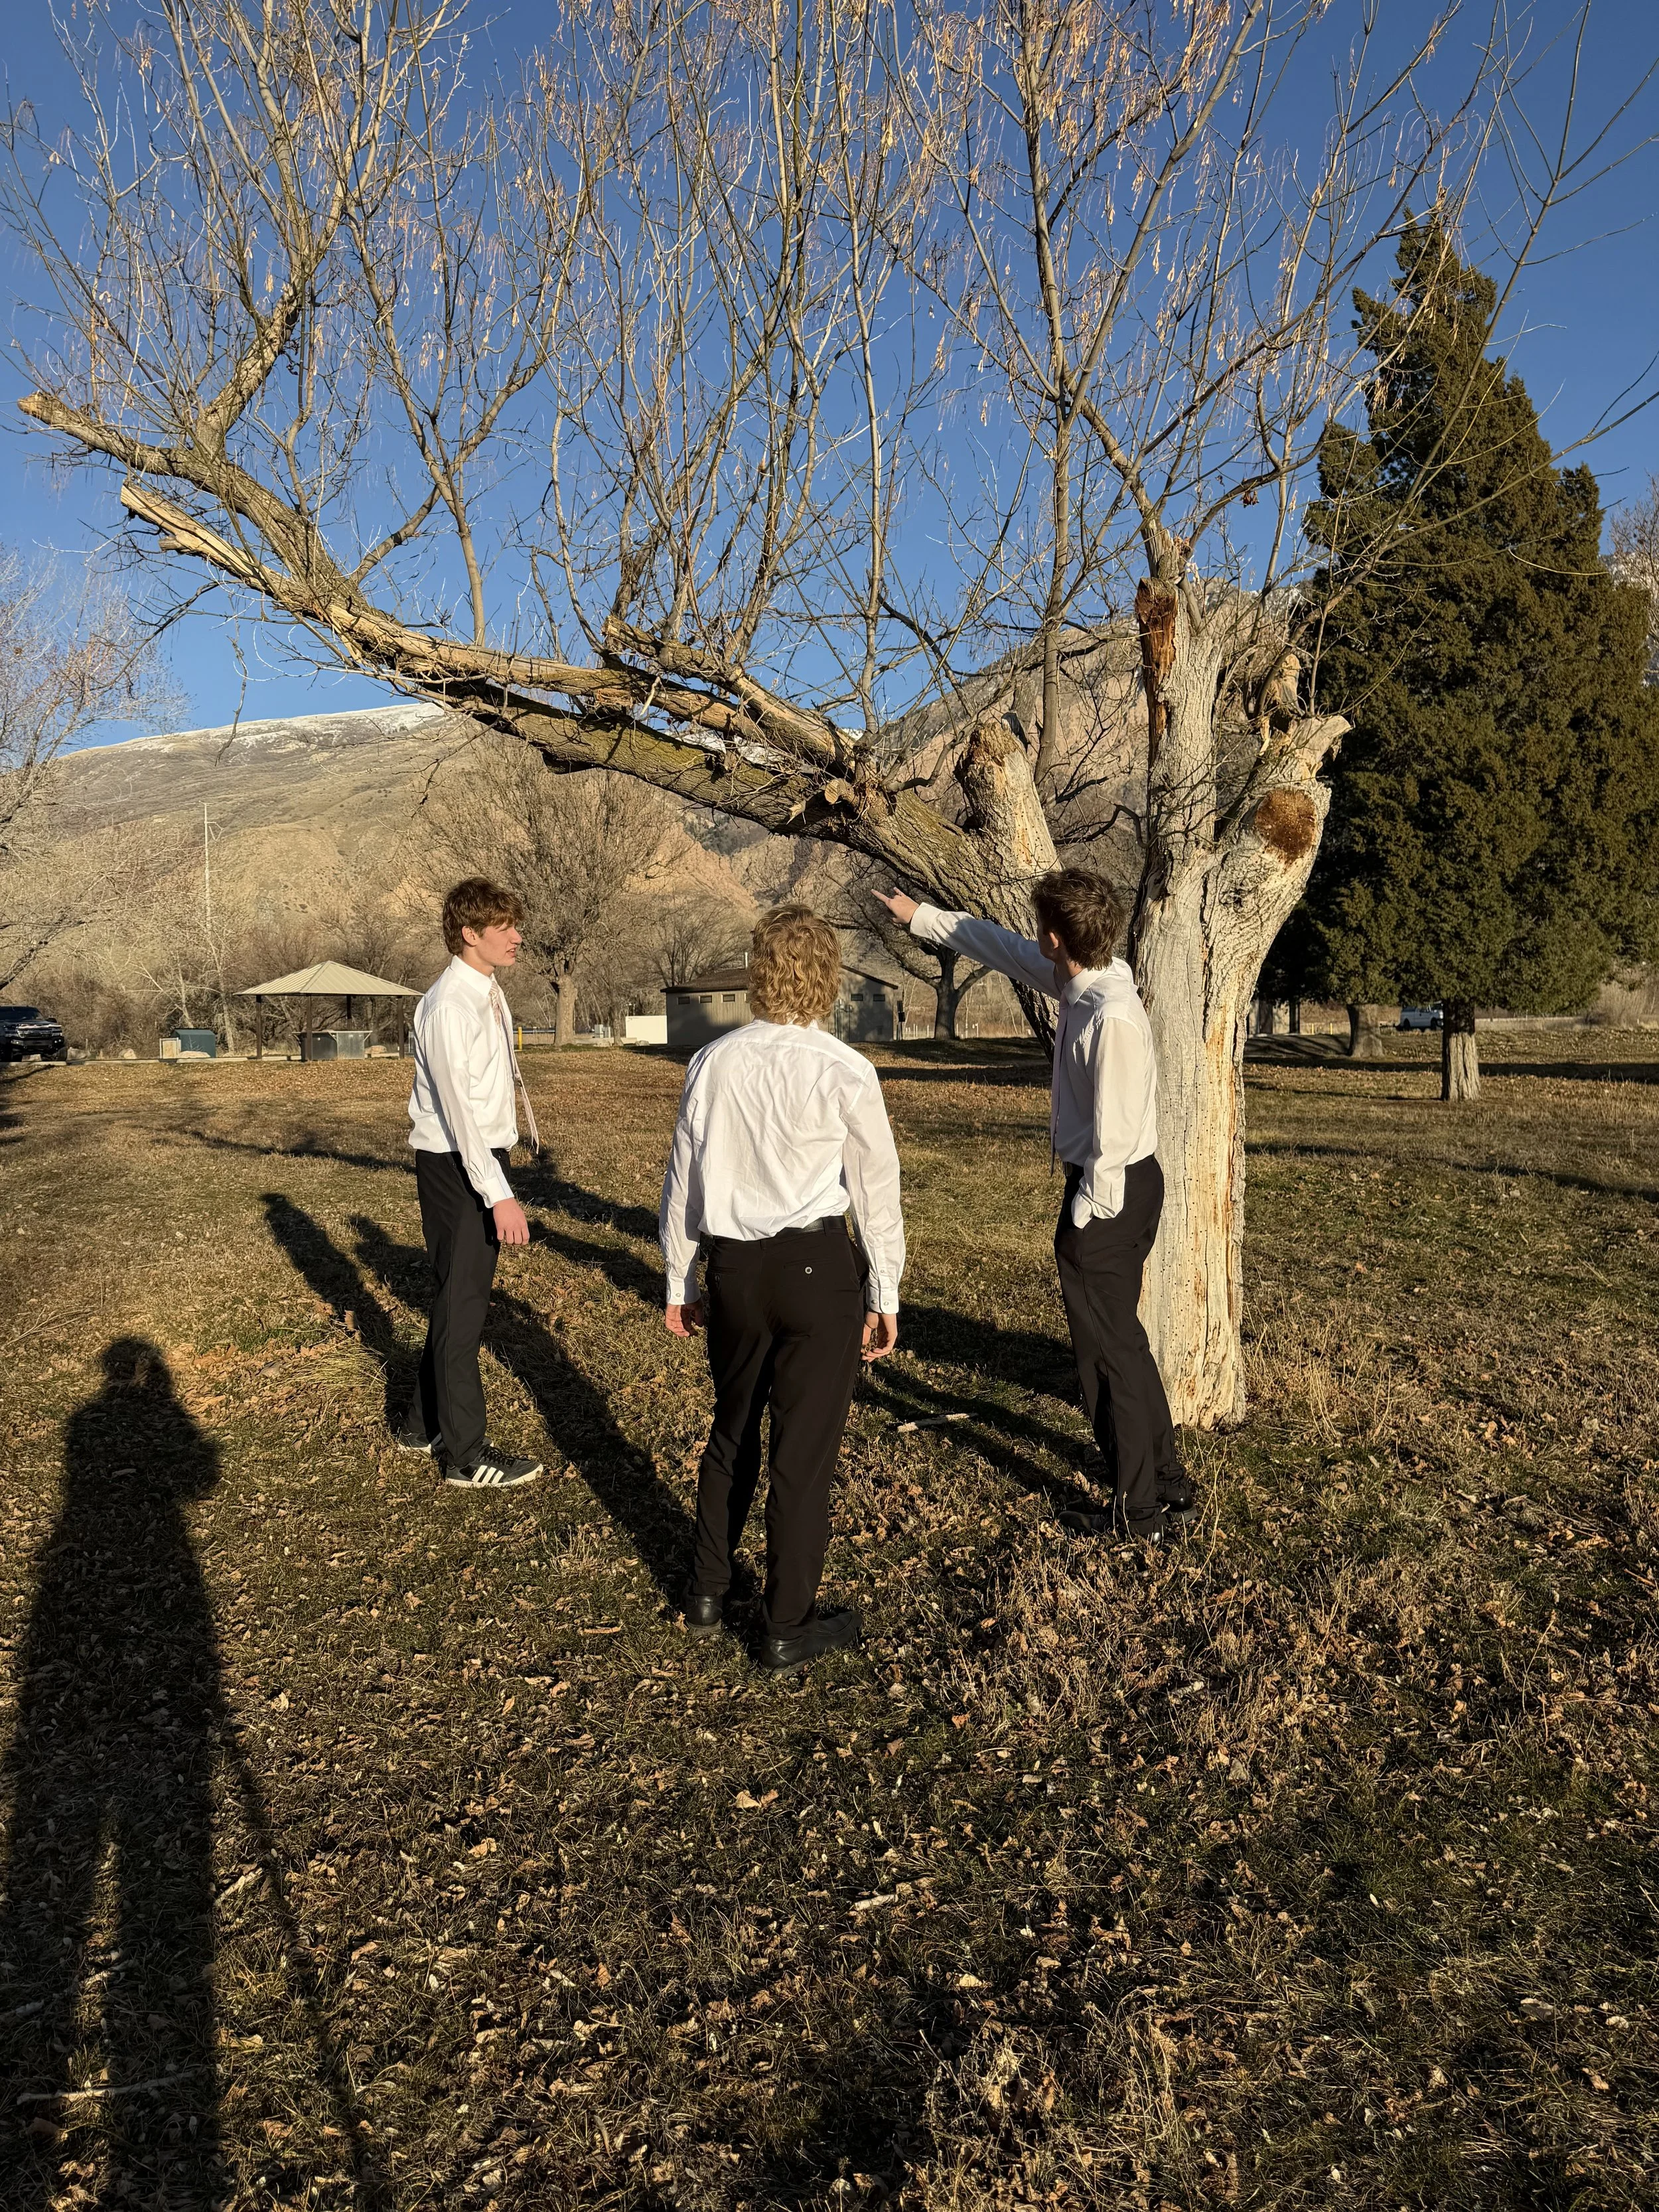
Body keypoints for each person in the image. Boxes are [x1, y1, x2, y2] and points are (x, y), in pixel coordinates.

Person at [876, 869, 1192, 1544]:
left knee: (1104, 1354)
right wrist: (920, 916)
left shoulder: (1112, 1018)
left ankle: (1138, 1512)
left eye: (1038, 931)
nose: (1032, 940)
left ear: (1057, 937)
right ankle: (1164, 1480)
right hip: (1112, 1189)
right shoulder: (1082, 980)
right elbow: (998, 947)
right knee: (1122, 1341)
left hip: (1111, 1193)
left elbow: (1114, 1134)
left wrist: (1083, 1216)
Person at [660, 905, 904, 1670]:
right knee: (802, 1454)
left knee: (733, 1429)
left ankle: (706, 1587)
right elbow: (876, 1191)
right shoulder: (844, 1068)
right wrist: (886, 1291)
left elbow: (682, 1179)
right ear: (829, 976)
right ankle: (785, 1622)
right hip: (816, 1271)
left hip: (734, 1268)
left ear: (757, 972)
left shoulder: (712, 1063)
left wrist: (679, 1273)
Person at [398, 877, 545, 1489]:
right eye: (503, 927)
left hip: (480, 1156)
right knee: (464, 1308)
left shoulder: (487, 991)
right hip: (458, 1163)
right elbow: (458, 1111)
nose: (517, 936)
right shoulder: (448, 1005)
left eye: (516, 924)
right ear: (469, 934)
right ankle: (465, 1455)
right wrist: (499, 1192)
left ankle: (418, 1423)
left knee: (457, 1294)